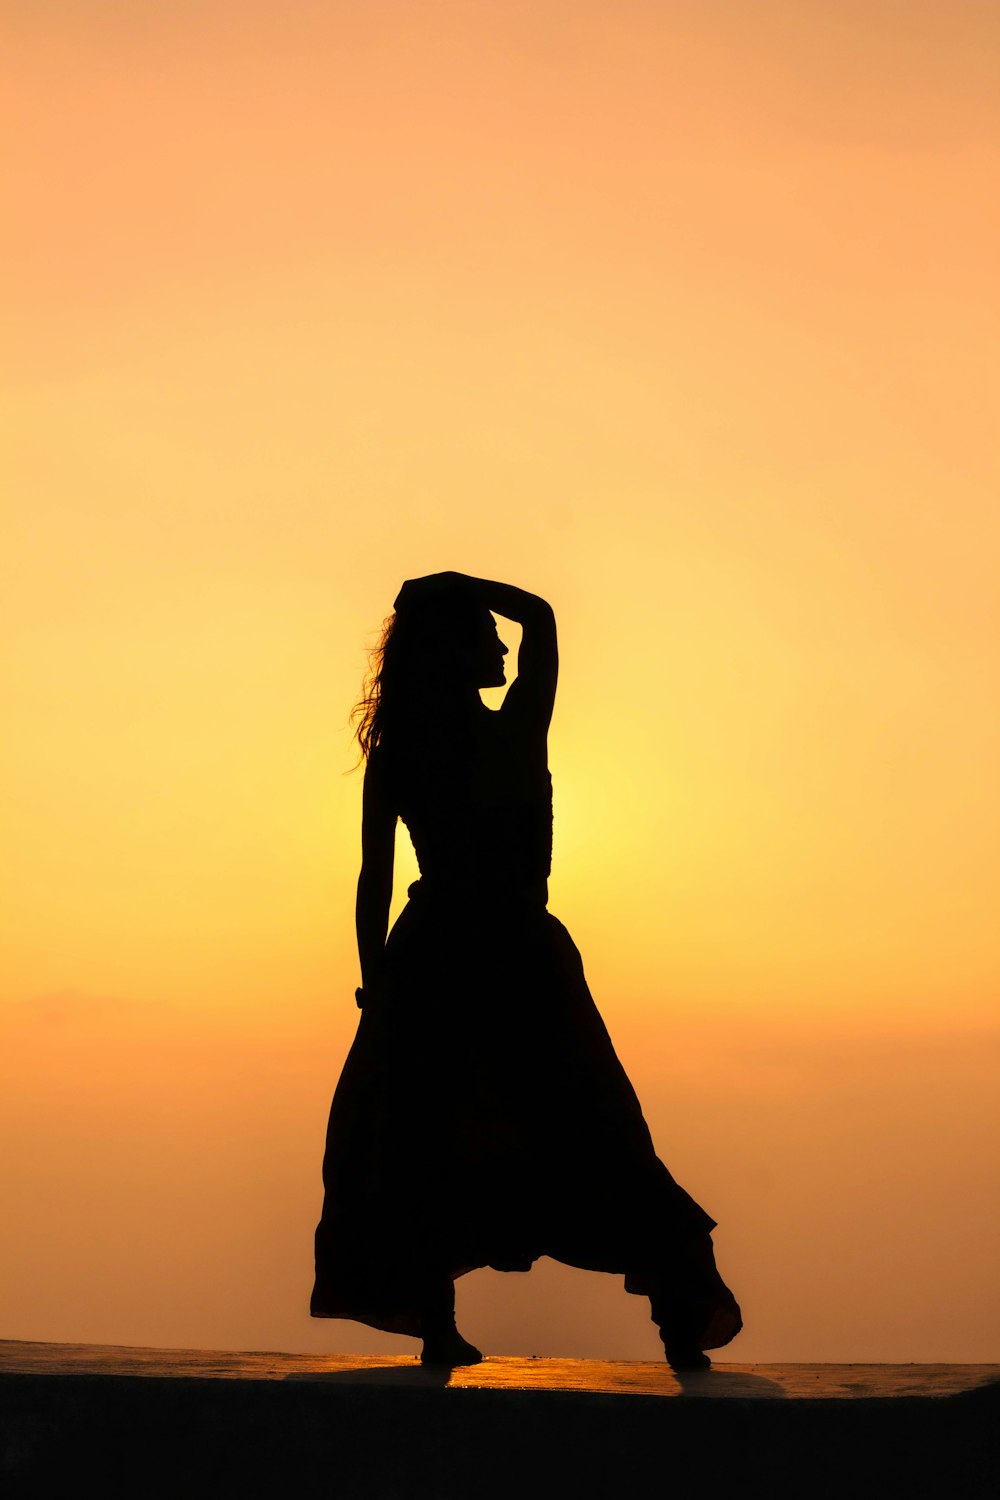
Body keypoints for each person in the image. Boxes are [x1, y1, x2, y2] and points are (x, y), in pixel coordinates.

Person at [312, 572, 742, 1369]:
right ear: (451, 649)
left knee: (432, 1136)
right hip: (507, 957)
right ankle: (674, 1319)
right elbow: (540, 615)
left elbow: (375, 881)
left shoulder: (406, 752)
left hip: (442, 956)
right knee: (568, 1131)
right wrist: (454, 585)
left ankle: (445, 1325)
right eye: (483, 631)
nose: (502, 642)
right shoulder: (510, 733)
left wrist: (378, 980)